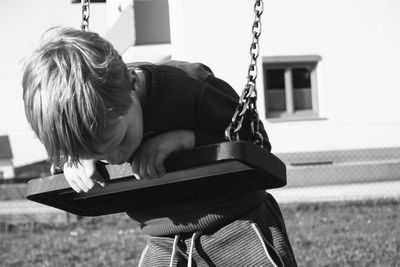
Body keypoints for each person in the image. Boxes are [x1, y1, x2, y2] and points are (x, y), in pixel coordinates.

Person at [22, 27, 297, 266]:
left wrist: (188, 140)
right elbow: (65, 159)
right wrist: (73, 162)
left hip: (239, 225)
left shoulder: (192, 86)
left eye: (119, 141)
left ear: (131, 85)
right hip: (162, 240)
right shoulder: (91, 129)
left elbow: (256, 144)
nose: (116, 158)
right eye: (98, 155)